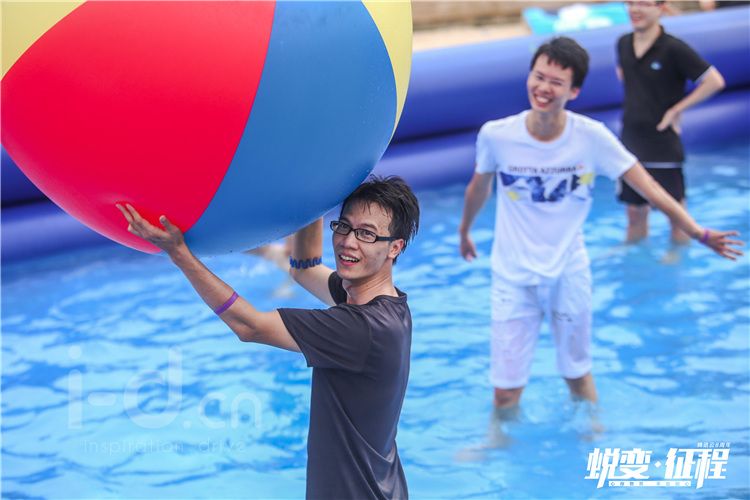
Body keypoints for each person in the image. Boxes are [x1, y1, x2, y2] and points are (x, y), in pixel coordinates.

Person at [458, 36, 742, 414]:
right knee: (505, 391)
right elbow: (479, 187)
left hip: (569, 274)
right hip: (512, 277)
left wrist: (697, 232)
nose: (543, 88)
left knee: (577, 376)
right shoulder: (497, 135)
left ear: (573, 91)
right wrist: (465, 230)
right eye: (538, 77)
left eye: (556, 82)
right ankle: (497, 440)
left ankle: (592, 433)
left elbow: (649, 187)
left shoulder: (591, 138)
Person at [117, 175, 420, 499]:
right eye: (343, 226)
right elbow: (304, 268)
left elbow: (250, 326)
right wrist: (315, 190)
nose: (348, 242)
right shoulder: (384, 304)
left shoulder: (361, 329)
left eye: (366, 234)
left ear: (395, 247)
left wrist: (180, 254)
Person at [617, 0, 726, 245]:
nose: (635, 9)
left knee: (677, 217)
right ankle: (634, 255)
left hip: (662, 143)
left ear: (661, 7)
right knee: (634, 214)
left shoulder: (673, 48)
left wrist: (676, 109)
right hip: (631, 140)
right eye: (630, 3)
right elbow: (626, 76)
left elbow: (714, 81)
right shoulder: (623, 43)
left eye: (643, 3)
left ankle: (677, 258)